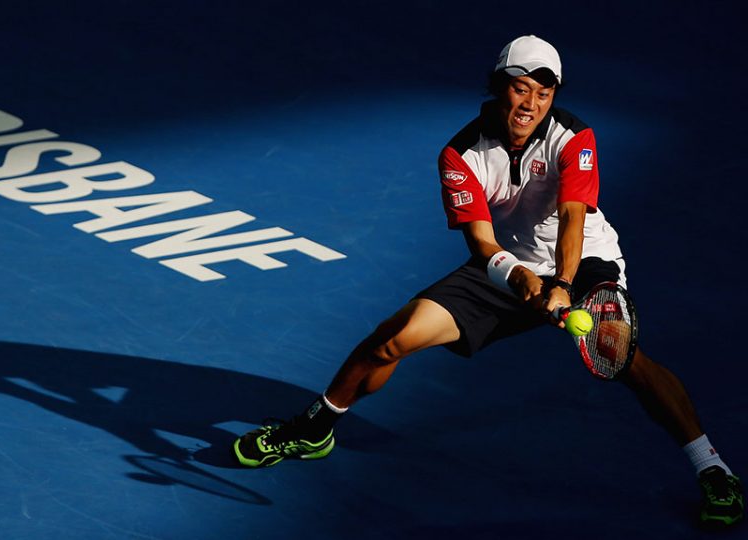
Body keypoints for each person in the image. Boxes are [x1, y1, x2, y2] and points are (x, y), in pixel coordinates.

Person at [232, 35, 743, 529]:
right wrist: (519, 275)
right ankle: (316, 427)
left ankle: (713, 469)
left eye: (545, 93)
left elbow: (573, 218)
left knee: (624, 358)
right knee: (394, 338)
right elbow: (480, 243)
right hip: (506, 260)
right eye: (522, 87)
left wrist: (562, 284)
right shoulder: (461, 155)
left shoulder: (575, 138)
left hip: (583, 258)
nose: (532, 102)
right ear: (499, 85)